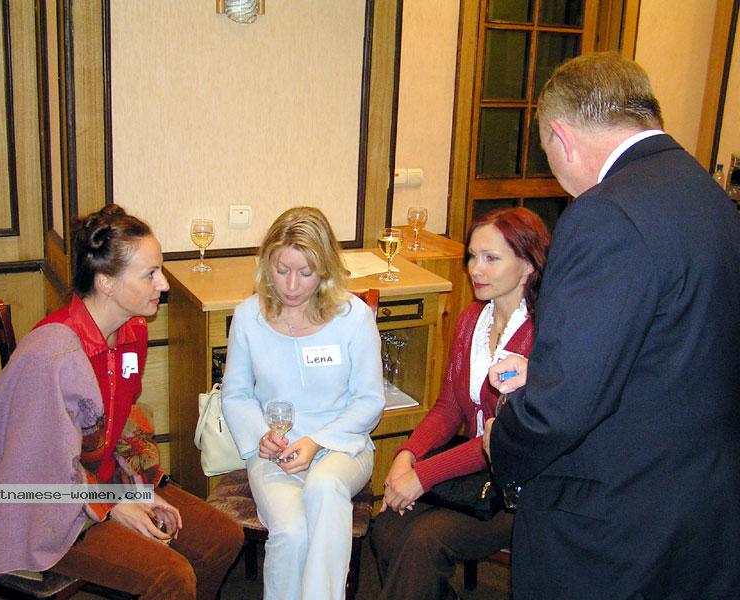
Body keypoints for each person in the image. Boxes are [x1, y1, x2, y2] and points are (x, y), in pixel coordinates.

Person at [483, 52, 740, 599]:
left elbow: (563, 407)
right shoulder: (708, 195)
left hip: (611, 525)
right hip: (701, 505)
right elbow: (677, 346)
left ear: (561, 137)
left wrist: (501, 440)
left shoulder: (606, 214)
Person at [0, 205, 243, 600]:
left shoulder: (132, 332)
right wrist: (113, 505)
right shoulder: (51, 355)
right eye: (150, 274)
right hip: (40, 502)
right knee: (171, 577)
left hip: (103, 480)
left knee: (222, 537)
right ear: (106, 283)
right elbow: (36, 471)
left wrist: (136, 490)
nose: (163, 284)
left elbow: (121, 422)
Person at [371, 207, 550, 600]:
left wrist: (424, 475)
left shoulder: (544, 335)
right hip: (470, 478)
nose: (475, 269)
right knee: (386, 527)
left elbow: (503, 437)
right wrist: (407, 455)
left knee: (422, 540)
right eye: (472, 256)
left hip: (518, 492)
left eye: (491, 258)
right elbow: (448, 409)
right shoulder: (473, 319)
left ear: (528, 265)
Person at [221, 206, 384, 600]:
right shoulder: (248, 317)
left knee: (325, 487)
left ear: (325, 269)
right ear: (267, 264)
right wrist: (261, 437)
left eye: (306, 273)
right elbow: (236, 393)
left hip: (342, 445)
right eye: (282, 270)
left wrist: (317, 442)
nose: (292, 286)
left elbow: (369, 401)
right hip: (274, 451)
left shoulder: (353, 318)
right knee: (292, 533)